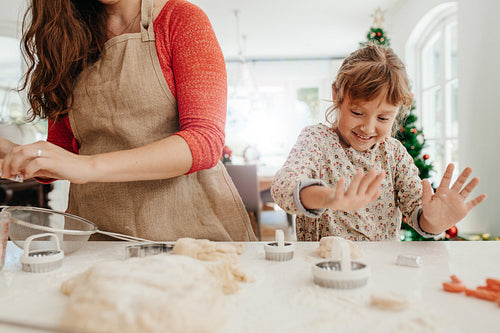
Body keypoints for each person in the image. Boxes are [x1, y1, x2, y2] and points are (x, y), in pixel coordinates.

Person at [0, 0, 256, 241]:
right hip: (100, 235)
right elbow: (64, 152)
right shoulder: (67, 40)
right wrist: (20, 155)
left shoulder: (180, 19)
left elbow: (204, 141)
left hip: (192, 235)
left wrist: (87, 167)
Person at [271, 44, 486, 241]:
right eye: (357, 112)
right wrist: (329, 198)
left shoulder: (395, 154)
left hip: (381, 271)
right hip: (321, 267)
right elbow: (283, 186)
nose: (368, 127)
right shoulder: (316, 140)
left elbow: (418, 213)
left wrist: (434, 221)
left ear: (397, 113)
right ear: (337, 95)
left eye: (383, 118)